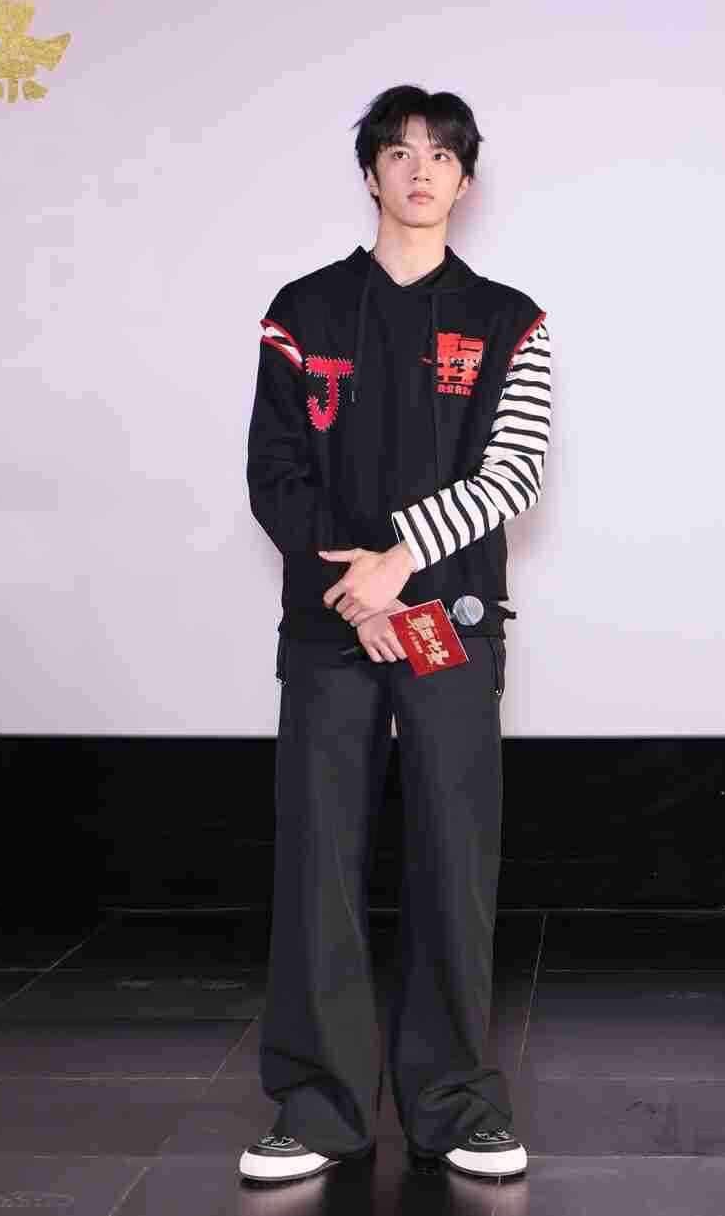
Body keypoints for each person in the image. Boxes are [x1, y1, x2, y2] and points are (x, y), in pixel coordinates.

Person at [239, 84, 552, 1185]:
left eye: (442, 155)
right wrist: (357, 590)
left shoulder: (510, 319)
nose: (421, 171)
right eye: (400, 152)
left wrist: (399, 566)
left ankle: (456, 1104)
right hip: (332, 627)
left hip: (446, 627)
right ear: (370, 172)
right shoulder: (304, 311)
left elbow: (513, 470)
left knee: (452, 861)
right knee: (319, 862)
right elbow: (273, 470)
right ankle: (317, 1109)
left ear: (467, 178)